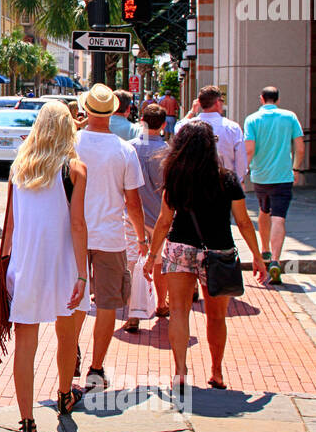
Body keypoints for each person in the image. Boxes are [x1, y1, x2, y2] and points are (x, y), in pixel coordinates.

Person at [146, 119, 268, 393]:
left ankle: (179, 371)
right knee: (216, 316)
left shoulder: (175, 177)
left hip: (180, 249)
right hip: (219, 251)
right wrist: (258, 256)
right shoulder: (227, 179)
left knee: (178, 311)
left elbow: (164, 221)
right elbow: (244, 222)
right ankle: (216, 371)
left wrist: (151, 255)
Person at [2, 102, 89, 432]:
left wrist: (2, 263)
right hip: (64, 264)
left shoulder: (18, 168)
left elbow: (9, 223)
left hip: (26, 264)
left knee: (26, 344)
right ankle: (65, 394)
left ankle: (27, 423)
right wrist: (83, 275)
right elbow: (78, 224)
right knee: (68, 337)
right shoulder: (75, 169)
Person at [73, 84, 147, 392]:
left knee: (74, 301)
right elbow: (133, 202)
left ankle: (71, 350)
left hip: (74, 233)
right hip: (110, 235)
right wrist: (142, 238)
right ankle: (96, 368)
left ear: (86, 110)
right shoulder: (123, 149)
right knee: (106, 305)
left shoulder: (71, 143)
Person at [244, 86, 305, 284]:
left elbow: (249, 149)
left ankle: (265, 250)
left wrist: (244, 172)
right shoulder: (290, 117)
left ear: (261, 99)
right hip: (283, 176)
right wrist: (295, 169)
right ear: (277, 100)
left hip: (260, 176)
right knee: (279, 218)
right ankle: (276, 261)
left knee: (263, 211)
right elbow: (300, 147)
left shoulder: (252, 119)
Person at [126, 102, 171, 331]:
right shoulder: (168, 152)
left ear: (142, 122)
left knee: (133, 263)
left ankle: (133, 313)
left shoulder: (130, 148)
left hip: (133, 217)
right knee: (159, 264)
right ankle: (161, 304)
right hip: (159, 217)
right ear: (163, 124)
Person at [183, 85, 248, 180]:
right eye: (222, 100)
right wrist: (237, 181)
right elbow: (241, 161)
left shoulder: (187, 126)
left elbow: (178, 126)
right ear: (217, 102)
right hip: (225, 183)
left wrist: (192, 111)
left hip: (196, 184)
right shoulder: (232, 128)